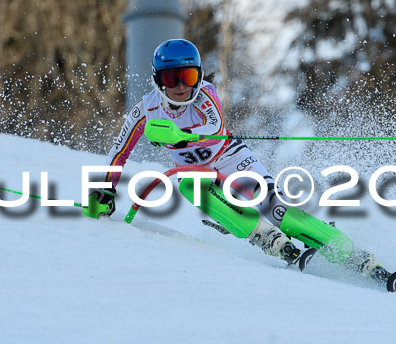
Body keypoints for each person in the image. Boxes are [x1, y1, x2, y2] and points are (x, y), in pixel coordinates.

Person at [86, 38, 303, 264]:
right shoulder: (146, 109)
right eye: (171, 78)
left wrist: (179, 136)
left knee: (277, 208)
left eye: (188, 77)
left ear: (198, 76)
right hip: (197, 173)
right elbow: (119, 151)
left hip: (232, 158)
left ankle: (330, 242)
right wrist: (104, 188)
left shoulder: (205, 94)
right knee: (189, 185)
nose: (181, 86)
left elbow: (214, 125)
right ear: (158, 80)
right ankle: (265, 237)